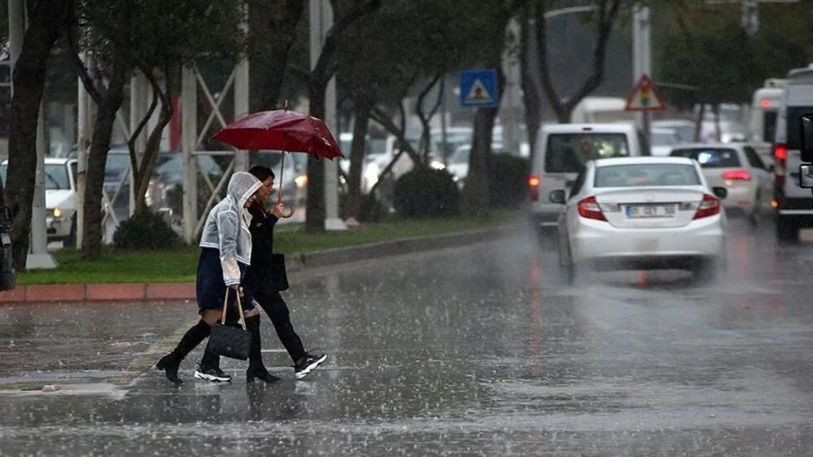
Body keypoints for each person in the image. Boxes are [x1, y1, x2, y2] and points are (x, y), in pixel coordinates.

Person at [156, 171, 272, 385]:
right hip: (218, 273)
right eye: (251, 193)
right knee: (214, 321)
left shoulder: (237, 211)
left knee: (241, 317)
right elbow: (227, 250)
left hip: (227, 273)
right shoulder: (227, 211)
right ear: (241, 190)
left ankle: (247, 366)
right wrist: (234, 281)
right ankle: (186, 361)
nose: (254, 198)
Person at [245, 164, 327, 379]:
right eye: (268, 185)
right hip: (254, 275)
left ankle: (257, 367)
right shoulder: (248, 209)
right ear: (254, 185)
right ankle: (299, 359)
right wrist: (272, 218)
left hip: (260, 273)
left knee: (256, 320)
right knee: (275, 315)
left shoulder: (258, 207)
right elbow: (254, 240)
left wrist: (272, 215)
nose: (271, 189)